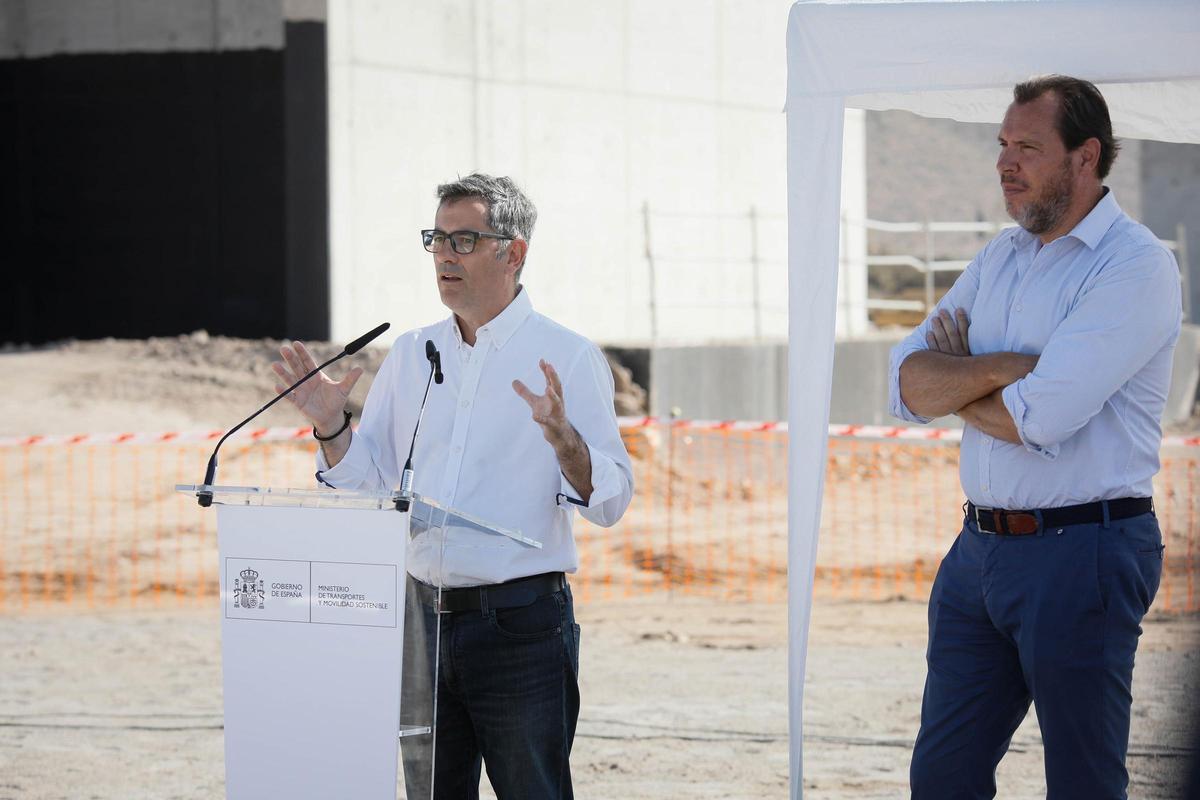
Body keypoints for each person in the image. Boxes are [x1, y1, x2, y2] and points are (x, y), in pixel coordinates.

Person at [271, 173, 634, 799]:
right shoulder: (412, 354)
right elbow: (369, 488)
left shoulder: (568, 357)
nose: (444, 255)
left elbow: (611, 501)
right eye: (436, 239)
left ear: (513, 253)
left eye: (463, 240)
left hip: (520, 626)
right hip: (420, 622)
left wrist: (564, 440)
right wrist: (332, 426)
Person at [889, 76, 1180, 798]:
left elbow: (1039, 418)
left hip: (1084, 553)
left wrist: (959, 380)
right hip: (977, 554)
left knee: (1082, 782)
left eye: (1027, 146)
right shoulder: (1001, 257)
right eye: (1002, 144)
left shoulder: (1134, 265)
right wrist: (1003, 370)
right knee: (942, 778)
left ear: (1086, 156)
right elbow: (903, 386)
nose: (1004, 163)